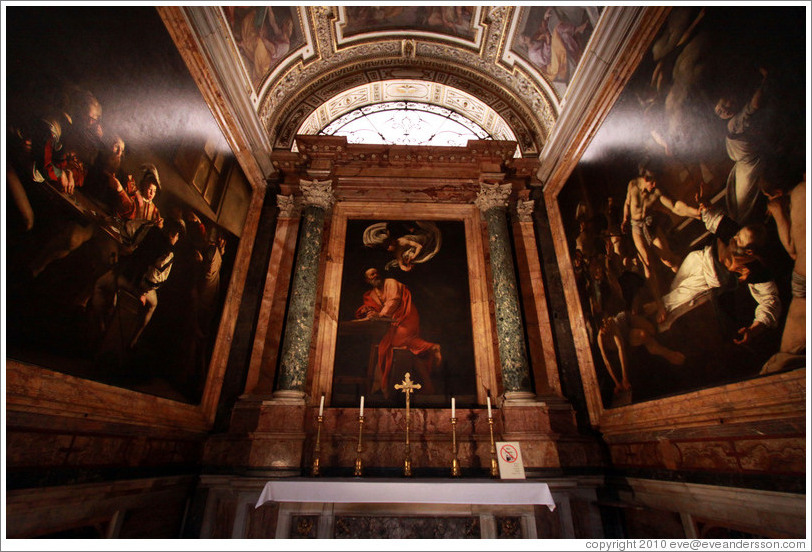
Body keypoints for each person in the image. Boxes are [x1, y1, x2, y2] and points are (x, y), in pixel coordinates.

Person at [646, 203, 781, 344]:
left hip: (705, 283)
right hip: (696, 260)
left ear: (749, 252)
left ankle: (652, 328)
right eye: (738, 234)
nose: (734, 237)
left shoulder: (757, 272)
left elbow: (770, 301)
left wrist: (753, 329)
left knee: (671, 309)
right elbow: (710, 216)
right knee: (671, 292)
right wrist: (703, 205)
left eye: (739, 240)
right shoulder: (732, 231)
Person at [621, 158, 701, 320]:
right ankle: (660, 306)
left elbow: (675, 206)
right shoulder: (633, 185)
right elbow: (627, 202)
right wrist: (624, 219)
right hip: (636, 227)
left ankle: (688, 285)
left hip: (650, 225)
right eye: (653, 181)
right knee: (648, 266)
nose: (655, 185)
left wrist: (695, 213)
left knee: (668, 260)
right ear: (645, 178)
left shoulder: (657, 191)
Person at [90, 219, 184, 349]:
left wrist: (129, 250)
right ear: (174, 234)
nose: (176, 239)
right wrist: (143, 293)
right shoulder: (168, 253)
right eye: (177, 236)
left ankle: (101, 324)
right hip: (138, 287)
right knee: (153, 305)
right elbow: (153, 280)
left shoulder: (148, 228)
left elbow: (127, 232)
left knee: (99, 284)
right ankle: (134, 340)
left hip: (124, 277)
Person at [356, 267, 442, 398]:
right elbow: (373, 308)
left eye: (376, 272)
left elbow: (394, 301)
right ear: (367, 280)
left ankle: (431, 347)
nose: (375, 275)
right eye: (371, 275)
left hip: (407, 315)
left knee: (396, 341)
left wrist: (379, 314)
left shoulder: (390, 282)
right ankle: (428, 385)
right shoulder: (372, 294)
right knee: (410, 350)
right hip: (395, 321)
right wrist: (369, 311)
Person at [761, 175, 806, 374]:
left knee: (787, 355)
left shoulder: (800, 192)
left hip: (805, 282)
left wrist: (778, 212)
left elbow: (792, 250)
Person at [715, 67, 769, 226]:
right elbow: (755, 105)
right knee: (740, 205)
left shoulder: (736, 121)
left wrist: (766, 80)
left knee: (745, 205)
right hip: (745, 165)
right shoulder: (733, 123)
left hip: (751, 163)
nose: (724, 110)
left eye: (725, 104)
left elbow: (756, 104)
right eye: (719, 111)